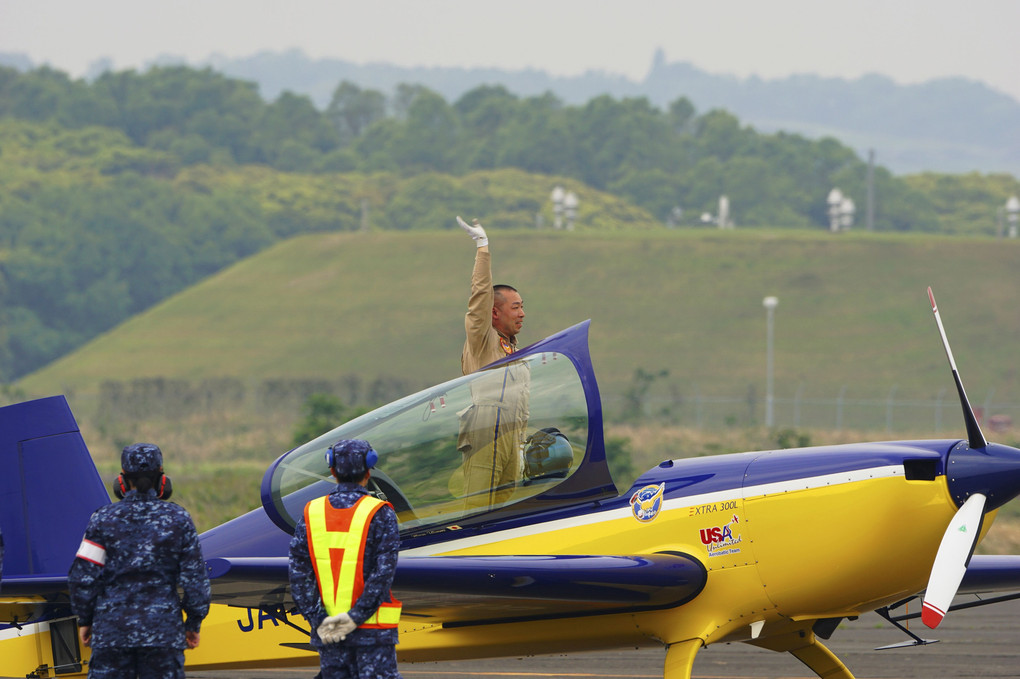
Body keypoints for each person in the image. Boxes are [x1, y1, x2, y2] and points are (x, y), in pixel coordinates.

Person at [68, 443, 210, 679]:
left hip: (112, 634)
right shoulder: (179, 519)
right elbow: (195, 580)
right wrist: (193, 623)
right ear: (162, 479)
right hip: (163, 636)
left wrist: (86, 620)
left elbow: (82, 576)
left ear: (122, 481)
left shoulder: (102, 519)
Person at [288, 439, 402, 679]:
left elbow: (299, 575)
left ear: (332, 470)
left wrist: (318, 620)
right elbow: (383, 574)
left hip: (329, 633)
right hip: (373, 633)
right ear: (369, 470)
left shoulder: (312, 513)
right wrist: (354, 618)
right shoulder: (380, 512)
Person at [456, 216, 530, 509]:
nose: (522, 313)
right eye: (516, 307)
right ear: (494, 313)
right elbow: (480, 297)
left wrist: (521, 445)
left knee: (503, 513)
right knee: (476, 512)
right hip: (486, 433)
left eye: (523, 307)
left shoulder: (514, 351)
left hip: (512, 437)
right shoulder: (481, 340)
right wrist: (483, 248)